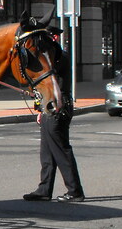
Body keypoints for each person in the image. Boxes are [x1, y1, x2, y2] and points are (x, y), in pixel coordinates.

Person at [23, 51, 84, 203]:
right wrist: (40, 109)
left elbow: (49, 83)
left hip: (57, 107)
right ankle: (44, 189)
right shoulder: (52, 57)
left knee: (61, 150)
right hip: (49, 107)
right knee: (47, 153)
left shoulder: (57, 57)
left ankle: (75, 191)